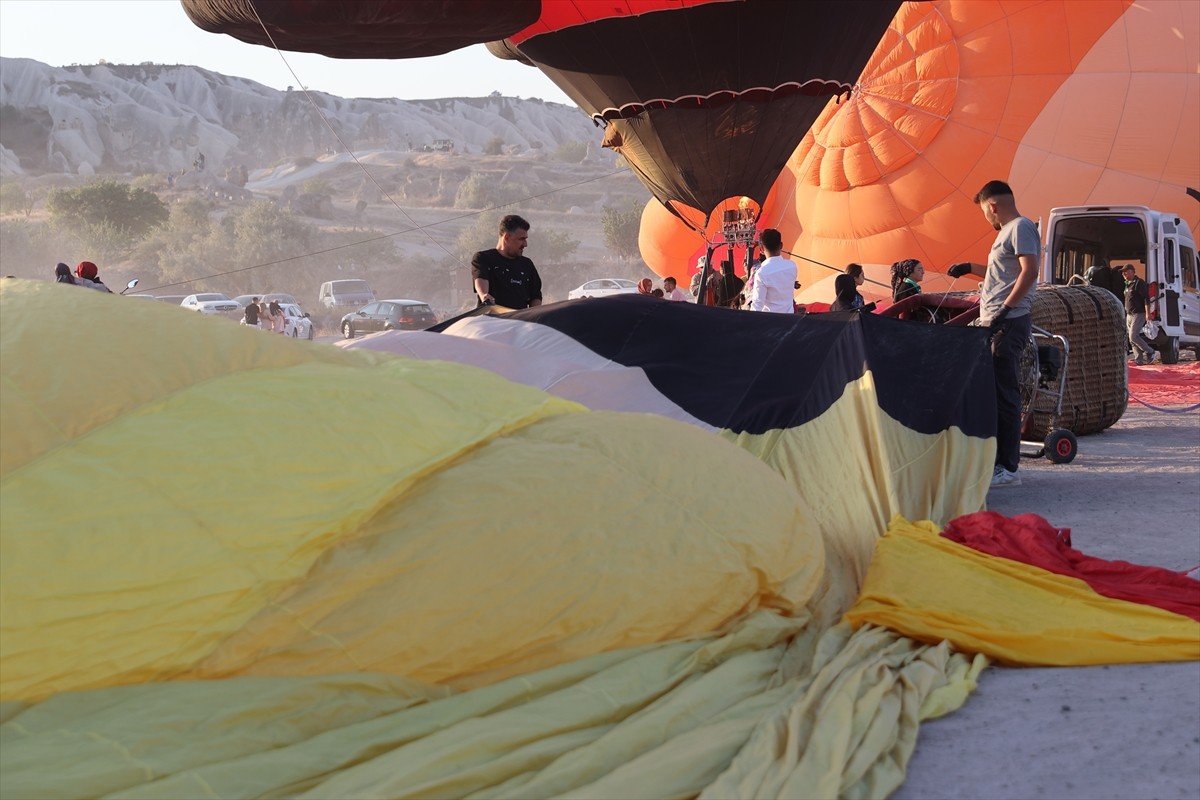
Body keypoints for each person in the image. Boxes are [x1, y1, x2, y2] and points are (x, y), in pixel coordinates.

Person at [947, 179, 1040, 489]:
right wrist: (968, 267)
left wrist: (1005, 309)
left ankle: (1009, 468)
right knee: (995, 394)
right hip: (998, 321)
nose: (986, 218)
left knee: (1005, 394)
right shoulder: (1007, 233)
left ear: (992, 206)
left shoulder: (1020, 227)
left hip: (1008, 322)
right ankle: (996, 460)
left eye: (984, 212)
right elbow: (1000, 275)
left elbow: (1029, 271)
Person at [471, 214, 543, 309]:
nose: (525, 244)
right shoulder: (483, 258)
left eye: (525, 239)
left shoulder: (527, 264)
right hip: (491, 317)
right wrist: (484, 296)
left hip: (520, 318)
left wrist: (533, 314)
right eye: (521, 239)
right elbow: (481, 280)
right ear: (507, 238)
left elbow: (536, 296)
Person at [746, 229, 797, 313]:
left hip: (770, 319)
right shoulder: (792, 266)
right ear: (781, 245)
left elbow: (757, 305)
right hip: (790, 318)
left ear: (761, 248)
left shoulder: (761, 273)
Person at [1121, 264, 1156, 364]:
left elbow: (1146, 298)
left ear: (1133, 272)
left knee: (1133, 336)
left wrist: (1148, 313)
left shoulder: (1139, 283)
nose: (1124, 274)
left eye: (1126, 271)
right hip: (1129, 314)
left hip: (1139, 313)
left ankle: (1150, 351)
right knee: (1131, 339)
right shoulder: (1127, 284)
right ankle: (1138, 360)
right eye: (1123, 272)